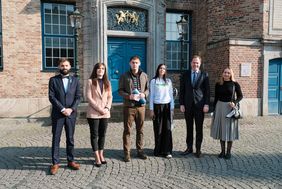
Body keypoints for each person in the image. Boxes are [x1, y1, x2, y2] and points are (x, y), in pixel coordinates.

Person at [48, 58, 81, 175]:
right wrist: (62, 109)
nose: (65, 67)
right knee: (56, 139)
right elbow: (51, 97)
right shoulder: (53, 80)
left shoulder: (76, 80)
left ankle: (71, 160)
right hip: (58, 114)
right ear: (59, 67)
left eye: (66, 65)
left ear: (70, 66)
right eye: (62, 66)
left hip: (71, 114)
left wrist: (71, 109)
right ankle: (55, 163)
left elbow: (78, 97)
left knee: (70, 138)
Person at [118, 55, 149, 162]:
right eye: (133, 62)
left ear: (139, 63)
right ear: (129, 64)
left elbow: (147, 89)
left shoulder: (144, 75)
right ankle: (127, 153)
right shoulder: (124, 76)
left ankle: (140, 151)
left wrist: (144, 94)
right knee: (127, 130)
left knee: (140, 130)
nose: (134, 64)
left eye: (136, 62)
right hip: (129, 107)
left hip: (141, 107)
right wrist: (129, 96)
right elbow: (120, 91)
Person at [179, 55, 210, 158]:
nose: (195, 64)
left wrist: (206, 104)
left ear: (200, 64)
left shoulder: (204, 75)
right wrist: (182, 104)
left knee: (199, 128)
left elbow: (207, 92)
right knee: (189, 127)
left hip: (200, 106)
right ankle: (189, 148)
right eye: (193, 62)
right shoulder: (185, 75)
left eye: (197, 63)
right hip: (187, 106)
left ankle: (198, 149)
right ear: (190, 63)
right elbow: (182, 91)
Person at [210, 67, 243, 159]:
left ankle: (228, 152)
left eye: (228, 73)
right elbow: (216, 97)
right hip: (220, 107)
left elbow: (240, 96)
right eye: (225, 72)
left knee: (229, 130)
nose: (226, 74)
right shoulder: (218, 84)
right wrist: (214, 110)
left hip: (230, 108)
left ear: (231, 74)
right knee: (221, 130)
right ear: (222, 73)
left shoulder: (235, 84)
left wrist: (235, 102)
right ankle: (222, 151)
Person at [86, 63, 112, 167]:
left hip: (105, 113)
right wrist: (99, 108)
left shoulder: (107, 82)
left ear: (105, 70)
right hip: (93, 113)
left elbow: (110, 97)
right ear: (95, 70)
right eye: (98, 68)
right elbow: (88, 97)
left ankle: (101, 155)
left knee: (102, 134)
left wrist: (107, 108)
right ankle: (96, 156)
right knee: (94, 135)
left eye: (103, 69)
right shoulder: (90, 81)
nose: (100, 70)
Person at [149, 64, 174, 158]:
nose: (162, 70)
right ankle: (158, 150)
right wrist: (151, 109)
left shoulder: (168, 81)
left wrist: (172, 108)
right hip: (157, 107)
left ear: (165, 71)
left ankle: (167, 151)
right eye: (160, 68)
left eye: (164, 68)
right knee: (158, 128)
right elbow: (151, 96)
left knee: (167, 129)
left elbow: (171, 95)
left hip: (167, 107)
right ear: (158, 69)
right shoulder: (153, 81)